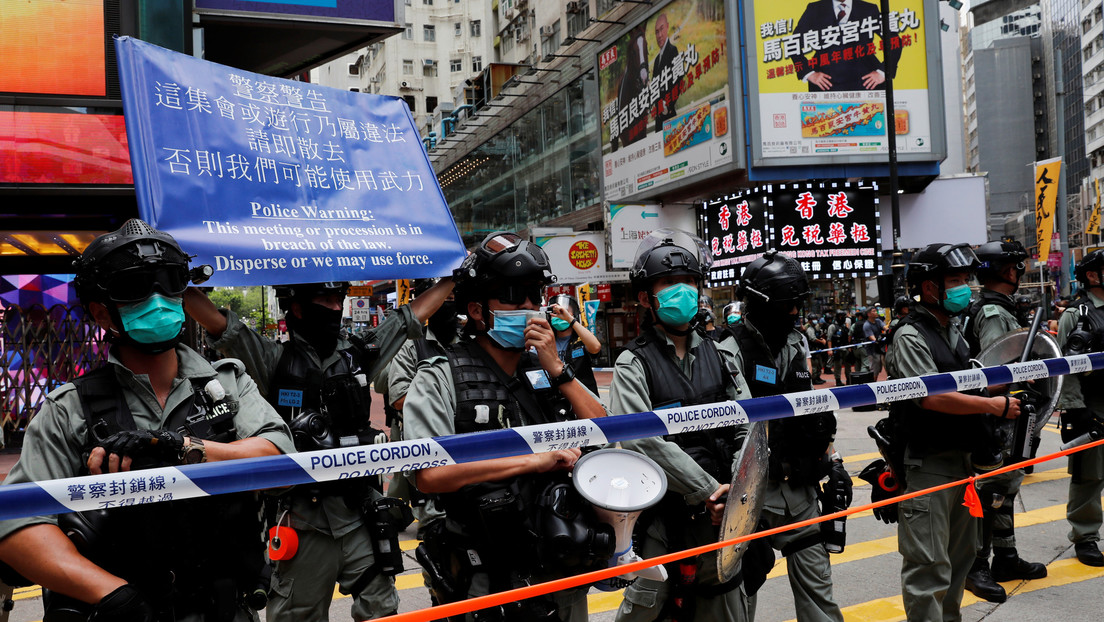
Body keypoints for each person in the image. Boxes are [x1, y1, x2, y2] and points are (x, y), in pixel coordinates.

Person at [0, 219, 295, 621]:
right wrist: (114, 595)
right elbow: (18, 527)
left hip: (225, 608)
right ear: (102, 313)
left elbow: (282, 466)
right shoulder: (68, 409)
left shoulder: (228, 383)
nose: (157, 297)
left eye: (167, 281)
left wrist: (187, 449)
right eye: (135, 287)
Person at [184, 274, 455, 621]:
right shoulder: (272, 360)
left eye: (337, 300)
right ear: (296, 308)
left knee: (383, 609)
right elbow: (222, 325)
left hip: (359, 512)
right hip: (302, 519)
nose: (334, 308)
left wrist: (453, 277)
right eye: (324, 302)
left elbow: (409, 318)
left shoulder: (360, 354)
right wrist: (177, 282)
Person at [403, 231, 608, 621]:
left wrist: (557, 368)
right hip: (485, 571)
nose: (529, 307)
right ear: (478, 310)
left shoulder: (548, 371)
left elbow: (606, 430)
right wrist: (533, 462)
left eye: (535, 295)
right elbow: (429, 475)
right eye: (514, 295)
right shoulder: (441, 375)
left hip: (557, 556)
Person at [612, 228, 755, 622]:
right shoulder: (632, 364)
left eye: (689, 282)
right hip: (666, 517)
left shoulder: (722, 353)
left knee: (725, 603)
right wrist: (708, 490)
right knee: (647, 607)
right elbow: (642, 440)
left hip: (723, 513)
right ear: (645, 297)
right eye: (669, 283)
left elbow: (749, 423)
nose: (683, 291)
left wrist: (735, 490)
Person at [885, 243, 1021, 621]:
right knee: (928, 568)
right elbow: (932, 396)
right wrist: (993, 406)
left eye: (965, 279)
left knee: (960, 563)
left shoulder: (953, 331)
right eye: (956, 281)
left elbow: (969, 384)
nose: (965, 288)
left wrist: (1000, 388)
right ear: (929, 288)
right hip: (928, 465)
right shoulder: (910, 335)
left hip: (963, 464)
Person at [721, 250, 846, 622]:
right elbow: (739, 429)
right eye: (787, 304)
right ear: (761, 303)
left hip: (801, 490)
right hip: (754, 495)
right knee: (743, 594)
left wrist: (834, 460)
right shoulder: (728, 349)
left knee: (819, 591)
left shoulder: (796, 343)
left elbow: (816, 410)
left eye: (798, 304)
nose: (795, 312)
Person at [958, 240, 1047, 603]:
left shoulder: (996, 307)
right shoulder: (994, 313)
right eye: (1014, 266)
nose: (1018, 271)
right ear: (1006, 271)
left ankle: (1006, 556)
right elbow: (1001, 366)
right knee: (991, 488)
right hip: (1000, 410)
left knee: (1005, 487)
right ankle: (977, 564)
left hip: (1004, 409)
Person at [1056, 249, 1104, 567]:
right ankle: (1085, 536)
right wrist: (1076, 409)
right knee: (1089, 475)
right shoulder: (1076, 315)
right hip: (1093, 403)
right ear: (1091, 275)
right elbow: (1064, 366)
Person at [789, 0, 899, 92]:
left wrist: (883, 72)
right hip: (826, 84)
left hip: (866, 84)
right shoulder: (815, 9)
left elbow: (894, 41)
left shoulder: (868, 9)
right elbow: (793, 44)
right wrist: (809, 73)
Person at [549, 293, 603, 394]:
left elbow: (596, 347)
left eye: (564, 312)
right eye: (555, 312)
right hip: (556, 399)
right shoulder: (547, 339)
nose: (560, 315)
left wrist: (570, 320)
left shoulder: (581, 338)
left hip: (584, 396)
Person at [651, 12, 680, 132]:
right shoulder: (657, 60)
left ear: (667, 27)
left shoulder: (673, 50)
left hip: (670, 116)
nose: (659, 35)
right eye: (656, 32)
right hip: (659, 120)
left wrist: (668, 107)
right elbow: (654, 88)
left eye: (661, 29)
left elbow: (678, 80)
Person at [827, 311, 852, 385]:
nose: (844, 318)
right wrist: (830, 349)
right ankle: (838, 380)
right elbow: (829, 339)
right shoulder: (832, 326)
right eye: (843, 316)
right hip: (837, 349)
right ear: (839, 317)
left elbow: (848, 337)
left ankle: (848, 379)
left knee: (848, 365)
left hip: (845, 348)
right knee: (838, 365)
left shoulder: (845, 327)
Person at [863, 306, 886, 379]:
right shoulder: (867, 325)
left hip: (881, 349)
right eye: (874, 311)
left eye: (876, 311)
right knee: (874, 371)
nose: (876, 312)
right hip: (872, 351)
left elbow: (886, 328)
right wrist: (880, 339)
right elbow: (873, 339)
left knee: (886, 366)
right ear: (869, 314)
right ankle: (872, 385)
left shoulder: (878, 321)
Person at [805, 313, 828, 385]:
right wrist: (821, 341)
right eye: (813, 319)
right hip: (812, 350)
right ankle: (814, 379)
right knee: (814, 365)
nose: (815, 321)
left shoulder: (814, 328)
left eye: (815, 319)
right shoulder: (809, 329)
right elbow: (812, 339)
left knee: (819, 365)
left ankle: (818, 377)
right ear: (810, 320)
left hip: (817, 349)